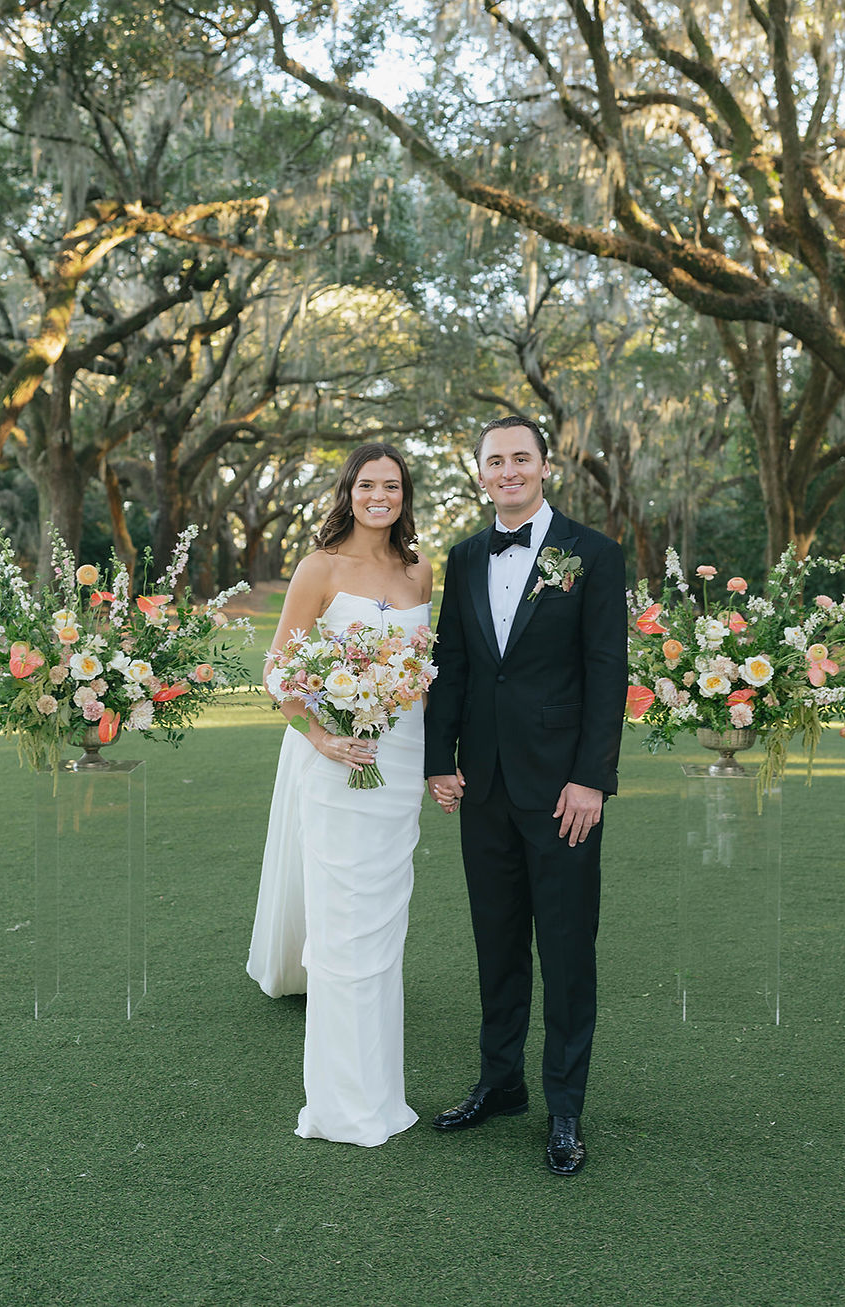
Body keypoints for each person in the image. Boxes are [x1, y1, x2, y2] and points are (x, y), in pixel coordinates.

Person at [424, 415, 628, 1175]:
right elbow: (455, 661)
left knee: (568, 949)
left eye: (521, 457)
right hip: (483, 786)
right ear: (479, 473)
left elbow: (607, 672)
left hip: (563, 790)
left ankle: (566, 1108)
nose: (508, 470)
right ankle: (499, 1082)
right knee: (498, 942)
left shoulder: (594, 554)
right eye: (494, 460)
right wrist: (439, 760)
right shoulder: (464, 556)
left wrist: (592, 777)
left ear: (546, 465)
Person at [247, 442, 433, 1147]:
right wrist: (324, 740)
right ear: (348, 491)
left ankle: (383, 1094)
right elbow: (280, 673)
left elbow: (421, 672)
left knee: (385, 928)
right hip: (335, 764)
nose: (379, 495)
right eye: (366, 484)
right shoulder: (318, 568)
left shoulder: (420, 571)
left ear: (404, 494)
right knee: (341, 928)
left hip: (400, 766)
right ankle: (339, 1103)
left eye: (391, 485)